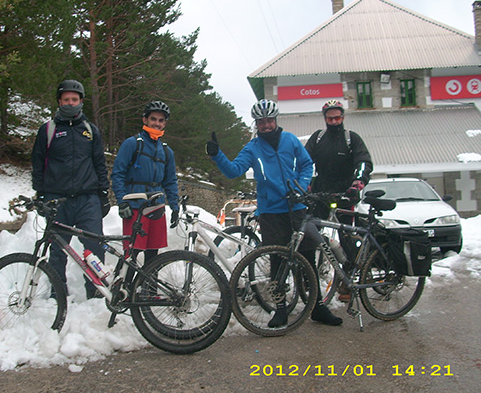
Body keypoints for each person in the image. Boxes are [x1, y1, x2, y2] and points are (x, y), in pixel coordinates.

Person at [206, 99, 343, 327]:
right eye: (261, 122)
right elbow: (233, 171)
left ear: (275, 120)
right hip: (270, 211)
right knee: (277, 261)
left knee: (307, 257)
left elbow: (306, 165)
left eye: (269, 120)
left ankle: (317, 306)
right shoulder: (252, 147)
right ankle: (280, 309)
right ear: (257, 124)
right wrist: (217, 155)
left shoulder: (290, 140)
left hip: (297, 208)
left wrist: (301, 186)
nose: (266, 125)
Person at [31, 79, 111, 299]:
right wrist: (40, 194)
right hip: (58, 200)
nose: (70, 103)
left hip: (88, 199)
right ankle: (58, 294)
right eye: (66, 99)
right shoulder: (48, 130)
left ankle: (95, 293)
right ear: (59, 101)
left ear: (81, 101)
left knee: (95, 247)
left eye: (74, 99)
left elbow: (99, 163)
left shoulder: (90, 130)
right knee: (58, 250)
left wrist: (104, 193)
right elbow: (38, 163)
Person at [305, 99, 373, 301]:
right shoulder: (317, 138)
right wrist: (306, 182)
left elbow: (364, 162)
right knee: (311, 232)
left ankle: (348, 282)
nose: (334, 121)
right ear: (325, 118)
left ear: (342, 117)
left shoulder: (352, 139)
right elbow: (305, 162)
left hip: (345, 192)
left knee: (347, 236)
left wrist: (358, 183)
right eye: (330, 118)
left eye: (337, 117)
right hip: (321, 191)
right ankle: (308, 275)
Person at [111, 101, 179, 267]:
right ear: (145, 120)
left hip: (156, 206)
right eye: (153, 119)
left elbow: (170, 181)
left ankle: (150, 291)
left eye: (161, 120)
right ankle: (126, 289)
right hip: (134, 205)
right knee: (132, 252)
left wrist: (175, 206)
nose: (157, 123)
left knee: (153, 253)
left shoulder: (167, 151)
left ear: (165, 123)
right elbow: (118, 174)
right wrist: (122, 201)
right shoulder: (132, 143)